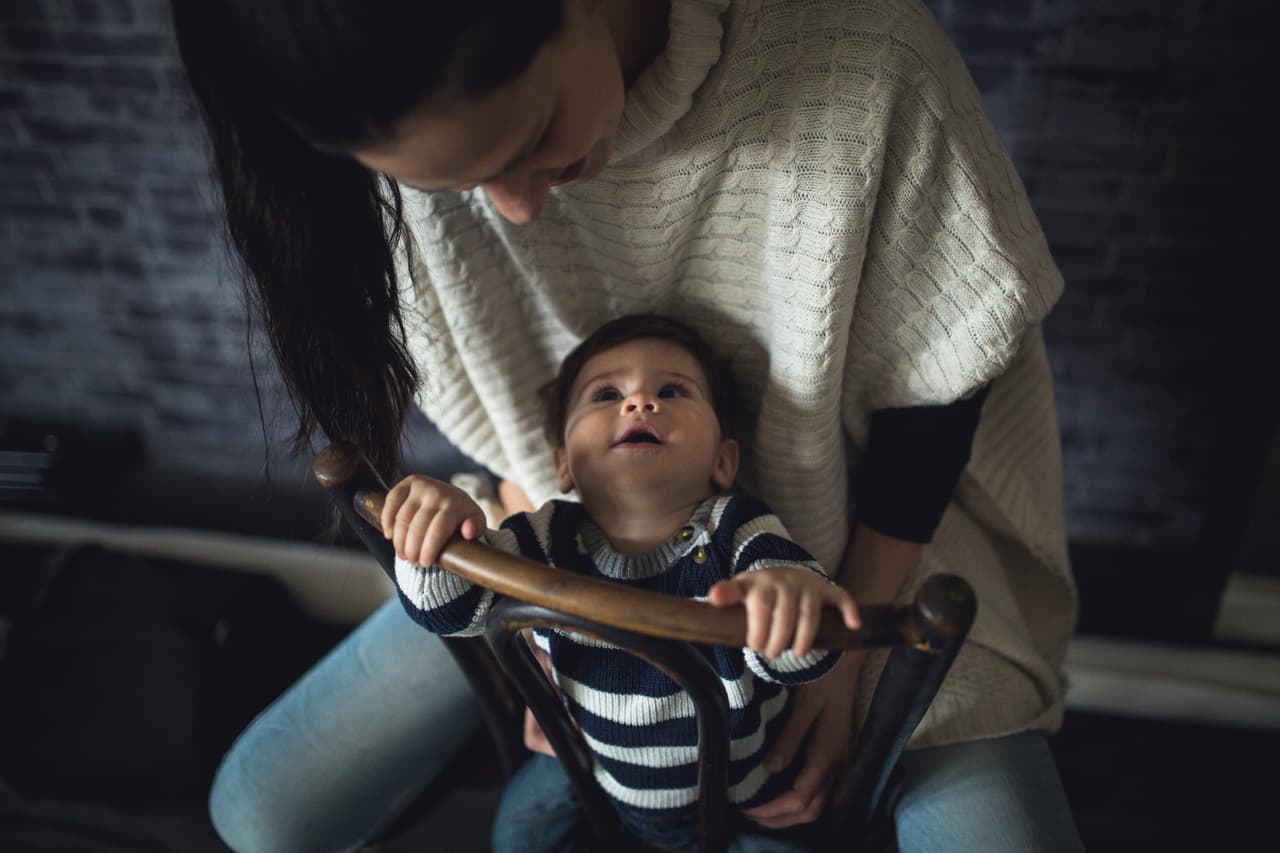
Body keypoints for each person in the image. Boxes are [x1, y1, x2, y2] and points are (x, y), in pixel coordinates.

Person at [173, 1, 1085, 851]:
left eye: (530, 140)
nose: (522, 209)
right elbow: (493, 445)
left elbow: (936, 393)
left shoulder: (865, 55)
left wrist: (836, 658)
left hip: (867, 562)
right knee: (258, 811)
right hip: (544, 541)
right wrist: (544, 621)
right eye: (461, 185)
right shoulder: (389, 103)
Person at [384, 313, 860, 851]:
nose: (639, 403)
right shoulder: (545, 539)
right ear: (563, 465)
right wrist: (435, 535)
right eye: (607, 394)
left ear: (724, 461)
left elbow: (807, 656)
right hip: (596, 776)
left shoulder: (736, 528)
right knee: (517, 831)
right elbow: (449, 612)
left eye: (673, 391)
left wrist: (790, 603)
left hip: (745, 797)